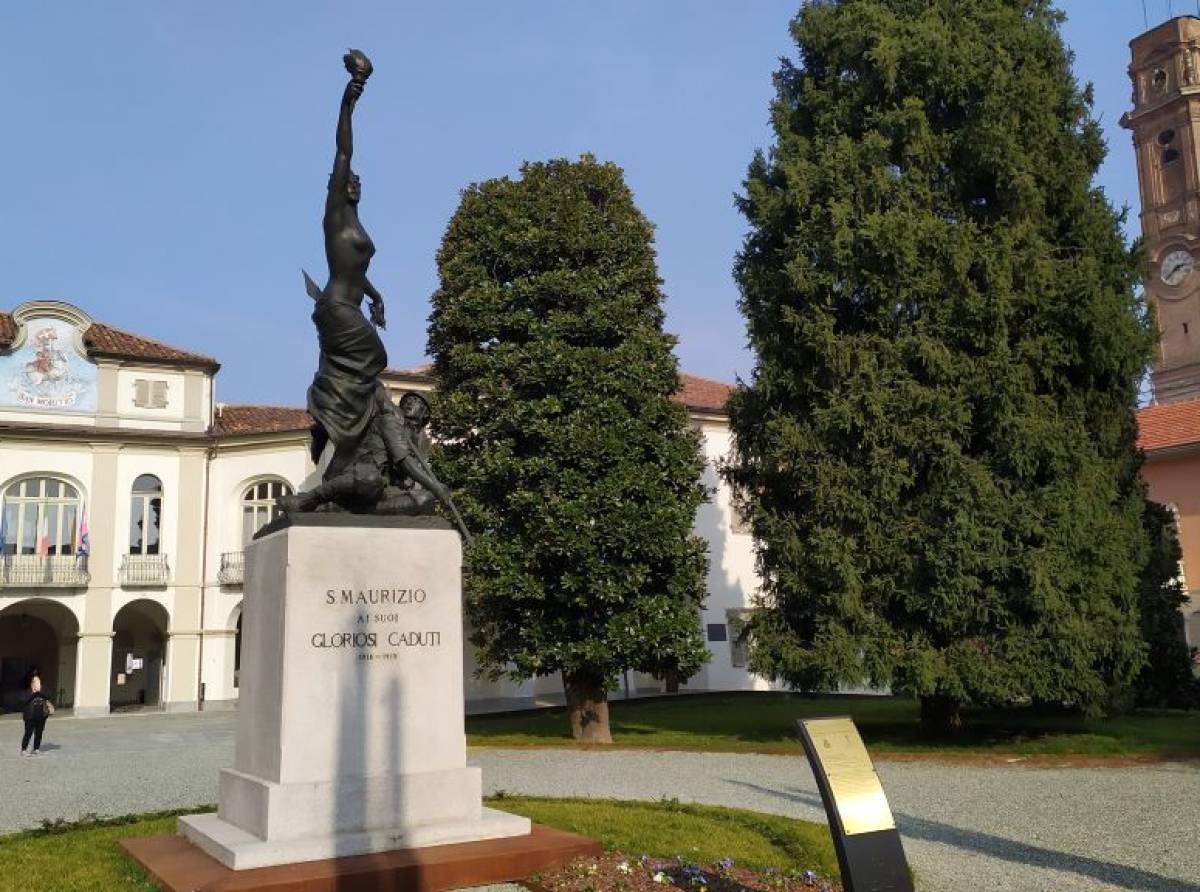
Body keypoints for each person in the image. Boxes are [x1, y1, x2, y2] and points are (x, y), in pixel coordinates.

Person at [20, 669, 49, 756]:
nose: (38, 683)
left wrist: (40, 692)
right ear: (32, 683)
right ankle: (23, 750)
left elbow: (49, 696)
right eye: (36, 682)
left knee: (39, 733)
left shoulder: (43, 692)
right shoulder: (27, 692)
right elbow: (24, 701)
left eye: (39, 682)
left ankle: (36, 748)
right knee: (28, 733)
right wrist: (34, 693)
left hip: (41, 716)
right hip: (30, 717)